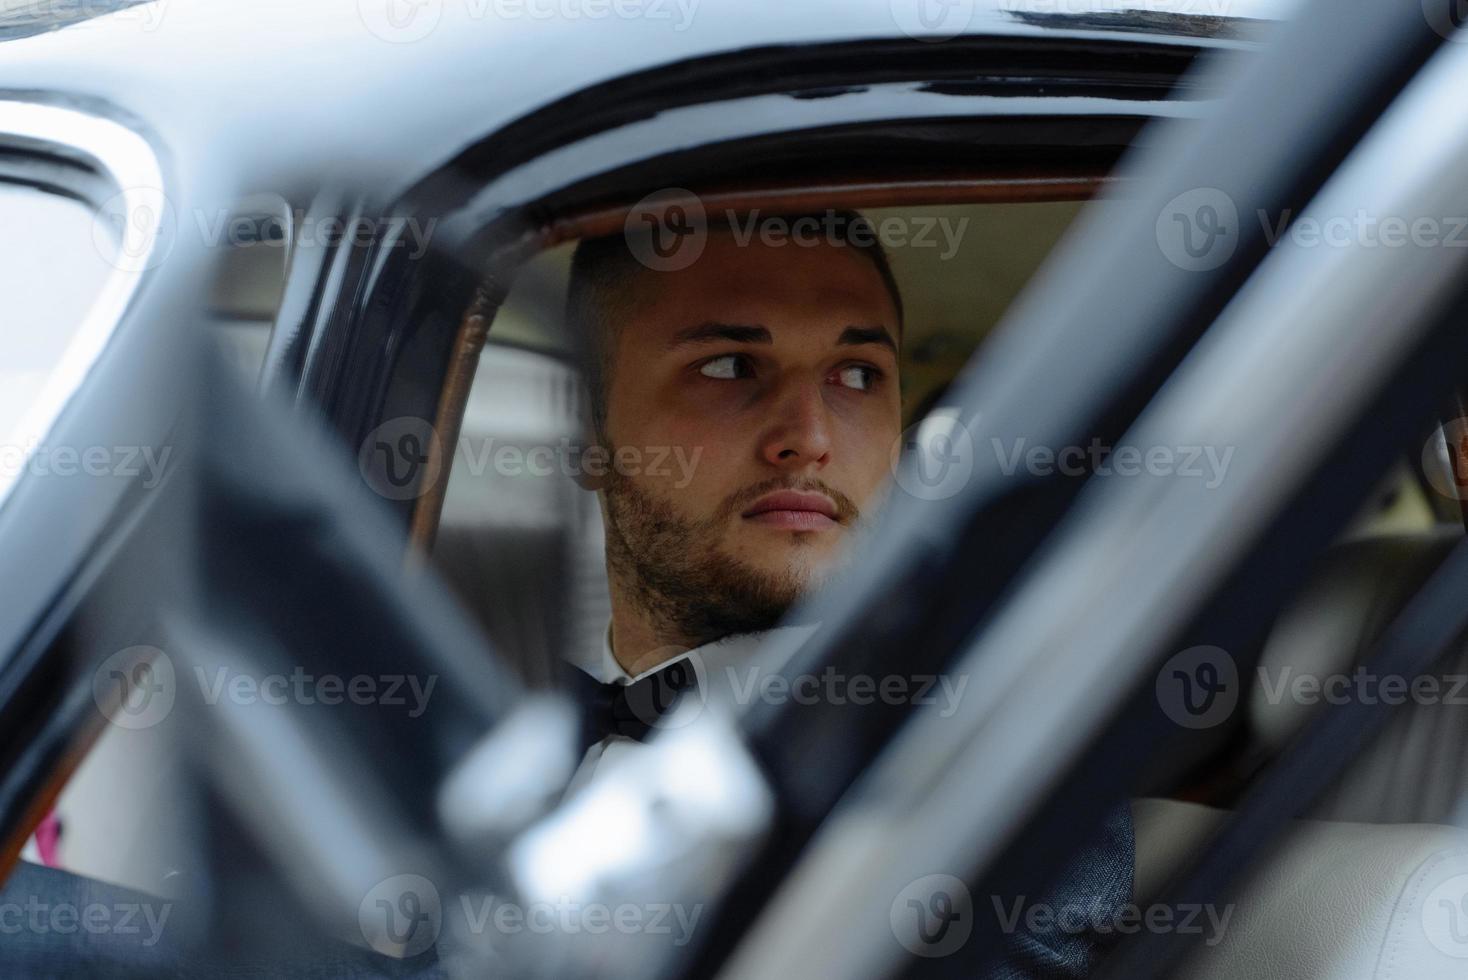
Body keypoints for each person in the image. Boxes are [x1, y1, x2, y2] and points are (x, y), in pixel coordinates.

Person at [561, 209, 1133, 978]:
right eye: (731, 366)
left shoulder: (993, 738)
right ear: (584, 435)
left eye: (858, 376)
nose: (810, 434)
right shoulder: (497, 717)